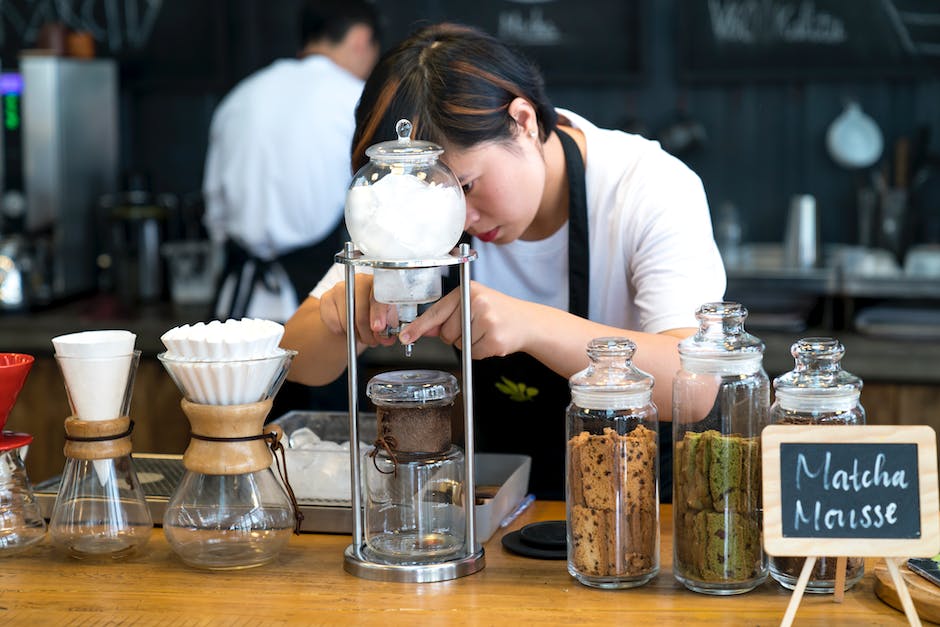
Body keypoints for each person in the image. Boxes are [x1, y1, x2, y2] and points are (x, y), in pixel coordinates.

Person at [281, 23, 726, 499]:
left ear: (524, 121)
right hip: (499, 500)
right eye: (440, 199)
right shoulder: (417, 216)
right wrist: (343, 316)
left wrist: (529, 325)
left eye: (467, 186)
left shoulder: (648, 186)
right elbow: (296, 357)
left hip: (637, 506)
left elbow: (694, 386)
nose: (462, 219)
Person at [202, 0, 380, 323]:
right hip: (322, 307)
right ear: (360, 39)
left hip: (237, 306)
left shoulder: (240, 97)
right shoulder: (357, 100)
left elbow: (215, 212)